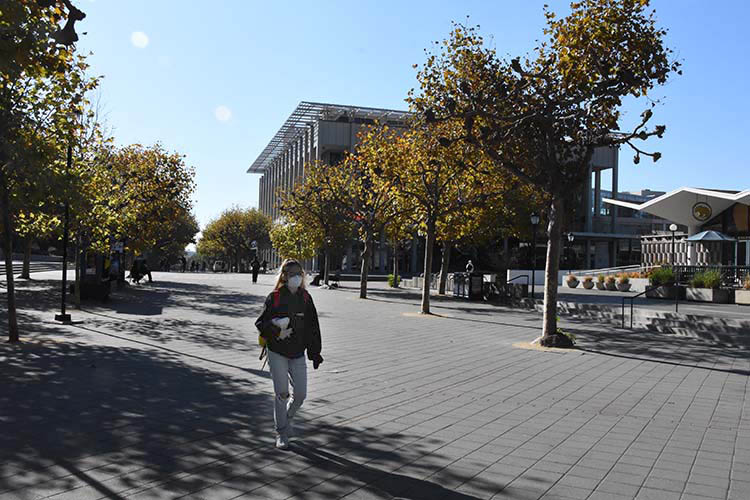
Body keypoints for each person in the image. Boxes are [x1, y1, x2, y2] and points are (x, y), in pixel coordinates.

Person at [255, 258, 323, 450]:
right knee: (282, 393)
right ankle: (281, 432)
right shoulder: (274, 297)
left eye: (299, 274)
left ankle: (286, 419)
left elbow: (313, 327)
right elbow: (260, 323)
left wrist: (315, 352)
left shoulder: (306, 298)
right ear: (284, 276)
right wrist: (277, 332)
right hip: (277, 352)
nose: (296, 277)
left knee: (300, 394)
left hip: (298, 353)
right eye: (292, 274)